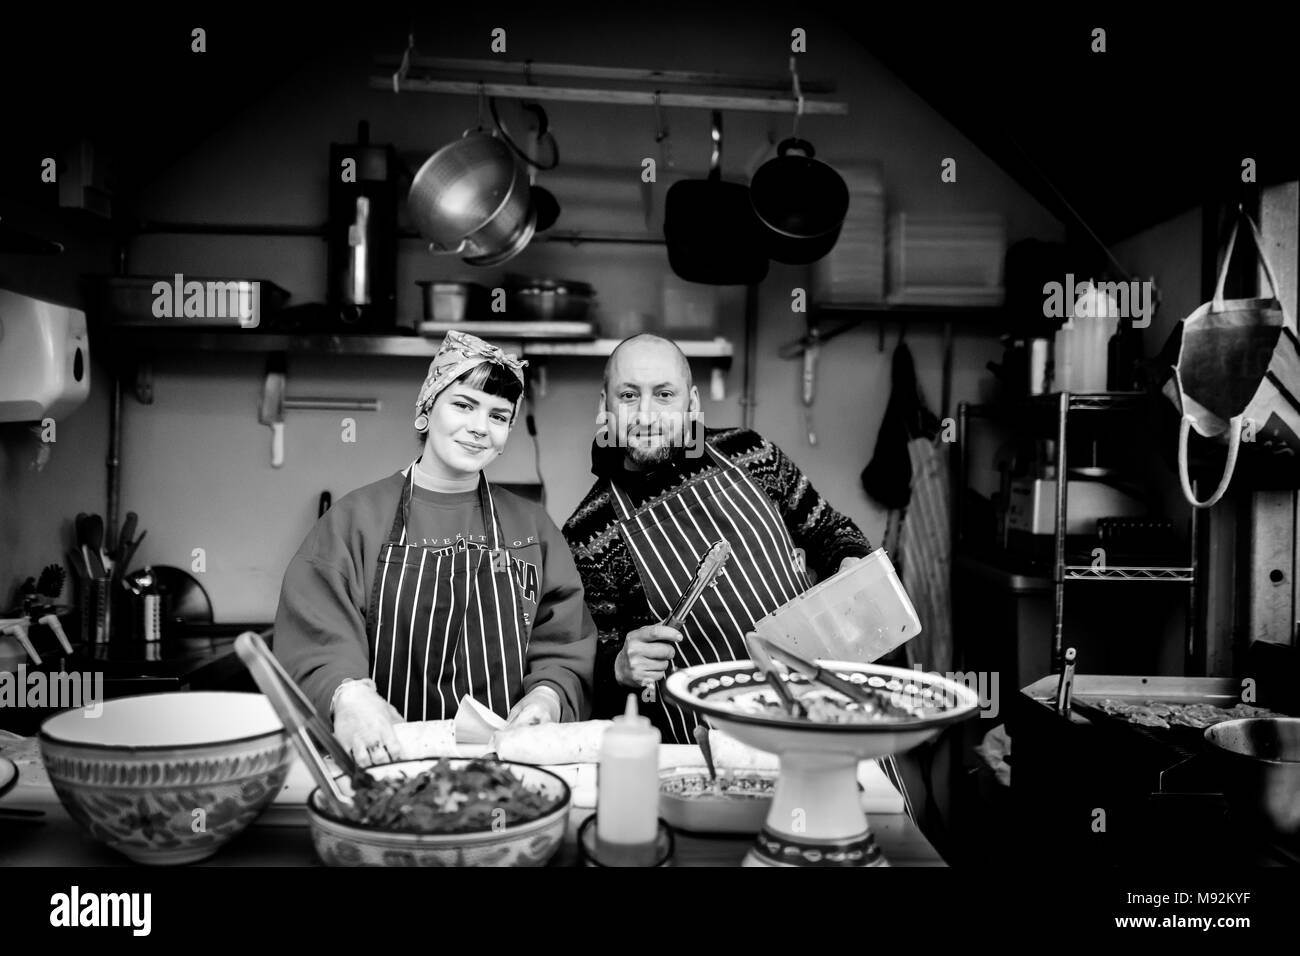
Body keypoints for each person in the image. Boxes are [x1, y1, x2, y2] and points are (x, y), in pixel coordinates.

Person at [275, 330, 595, 766]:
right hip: (384, 764)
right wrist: (348, 697)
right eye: (463, 405)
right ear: (427, 408)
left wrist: (548, 697)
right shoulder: (355, 521)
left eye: (499, 416)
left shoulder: (531, 528)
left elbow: (564, 642)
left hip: (508, 769)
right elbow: (315, 638)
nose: (480, 427)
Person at [562, 334, 876, 739]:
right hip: (705, 748)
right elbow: (597, 667)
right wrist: (618, 668)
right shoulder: (589, 533)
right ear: (604, 407)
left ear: (691, 403)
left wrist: (851, 565)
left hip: (821, 715)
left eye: (663, 394)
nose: (646, 414)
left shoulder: (752, 454)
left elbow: (832, 532)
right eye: (627, 395)